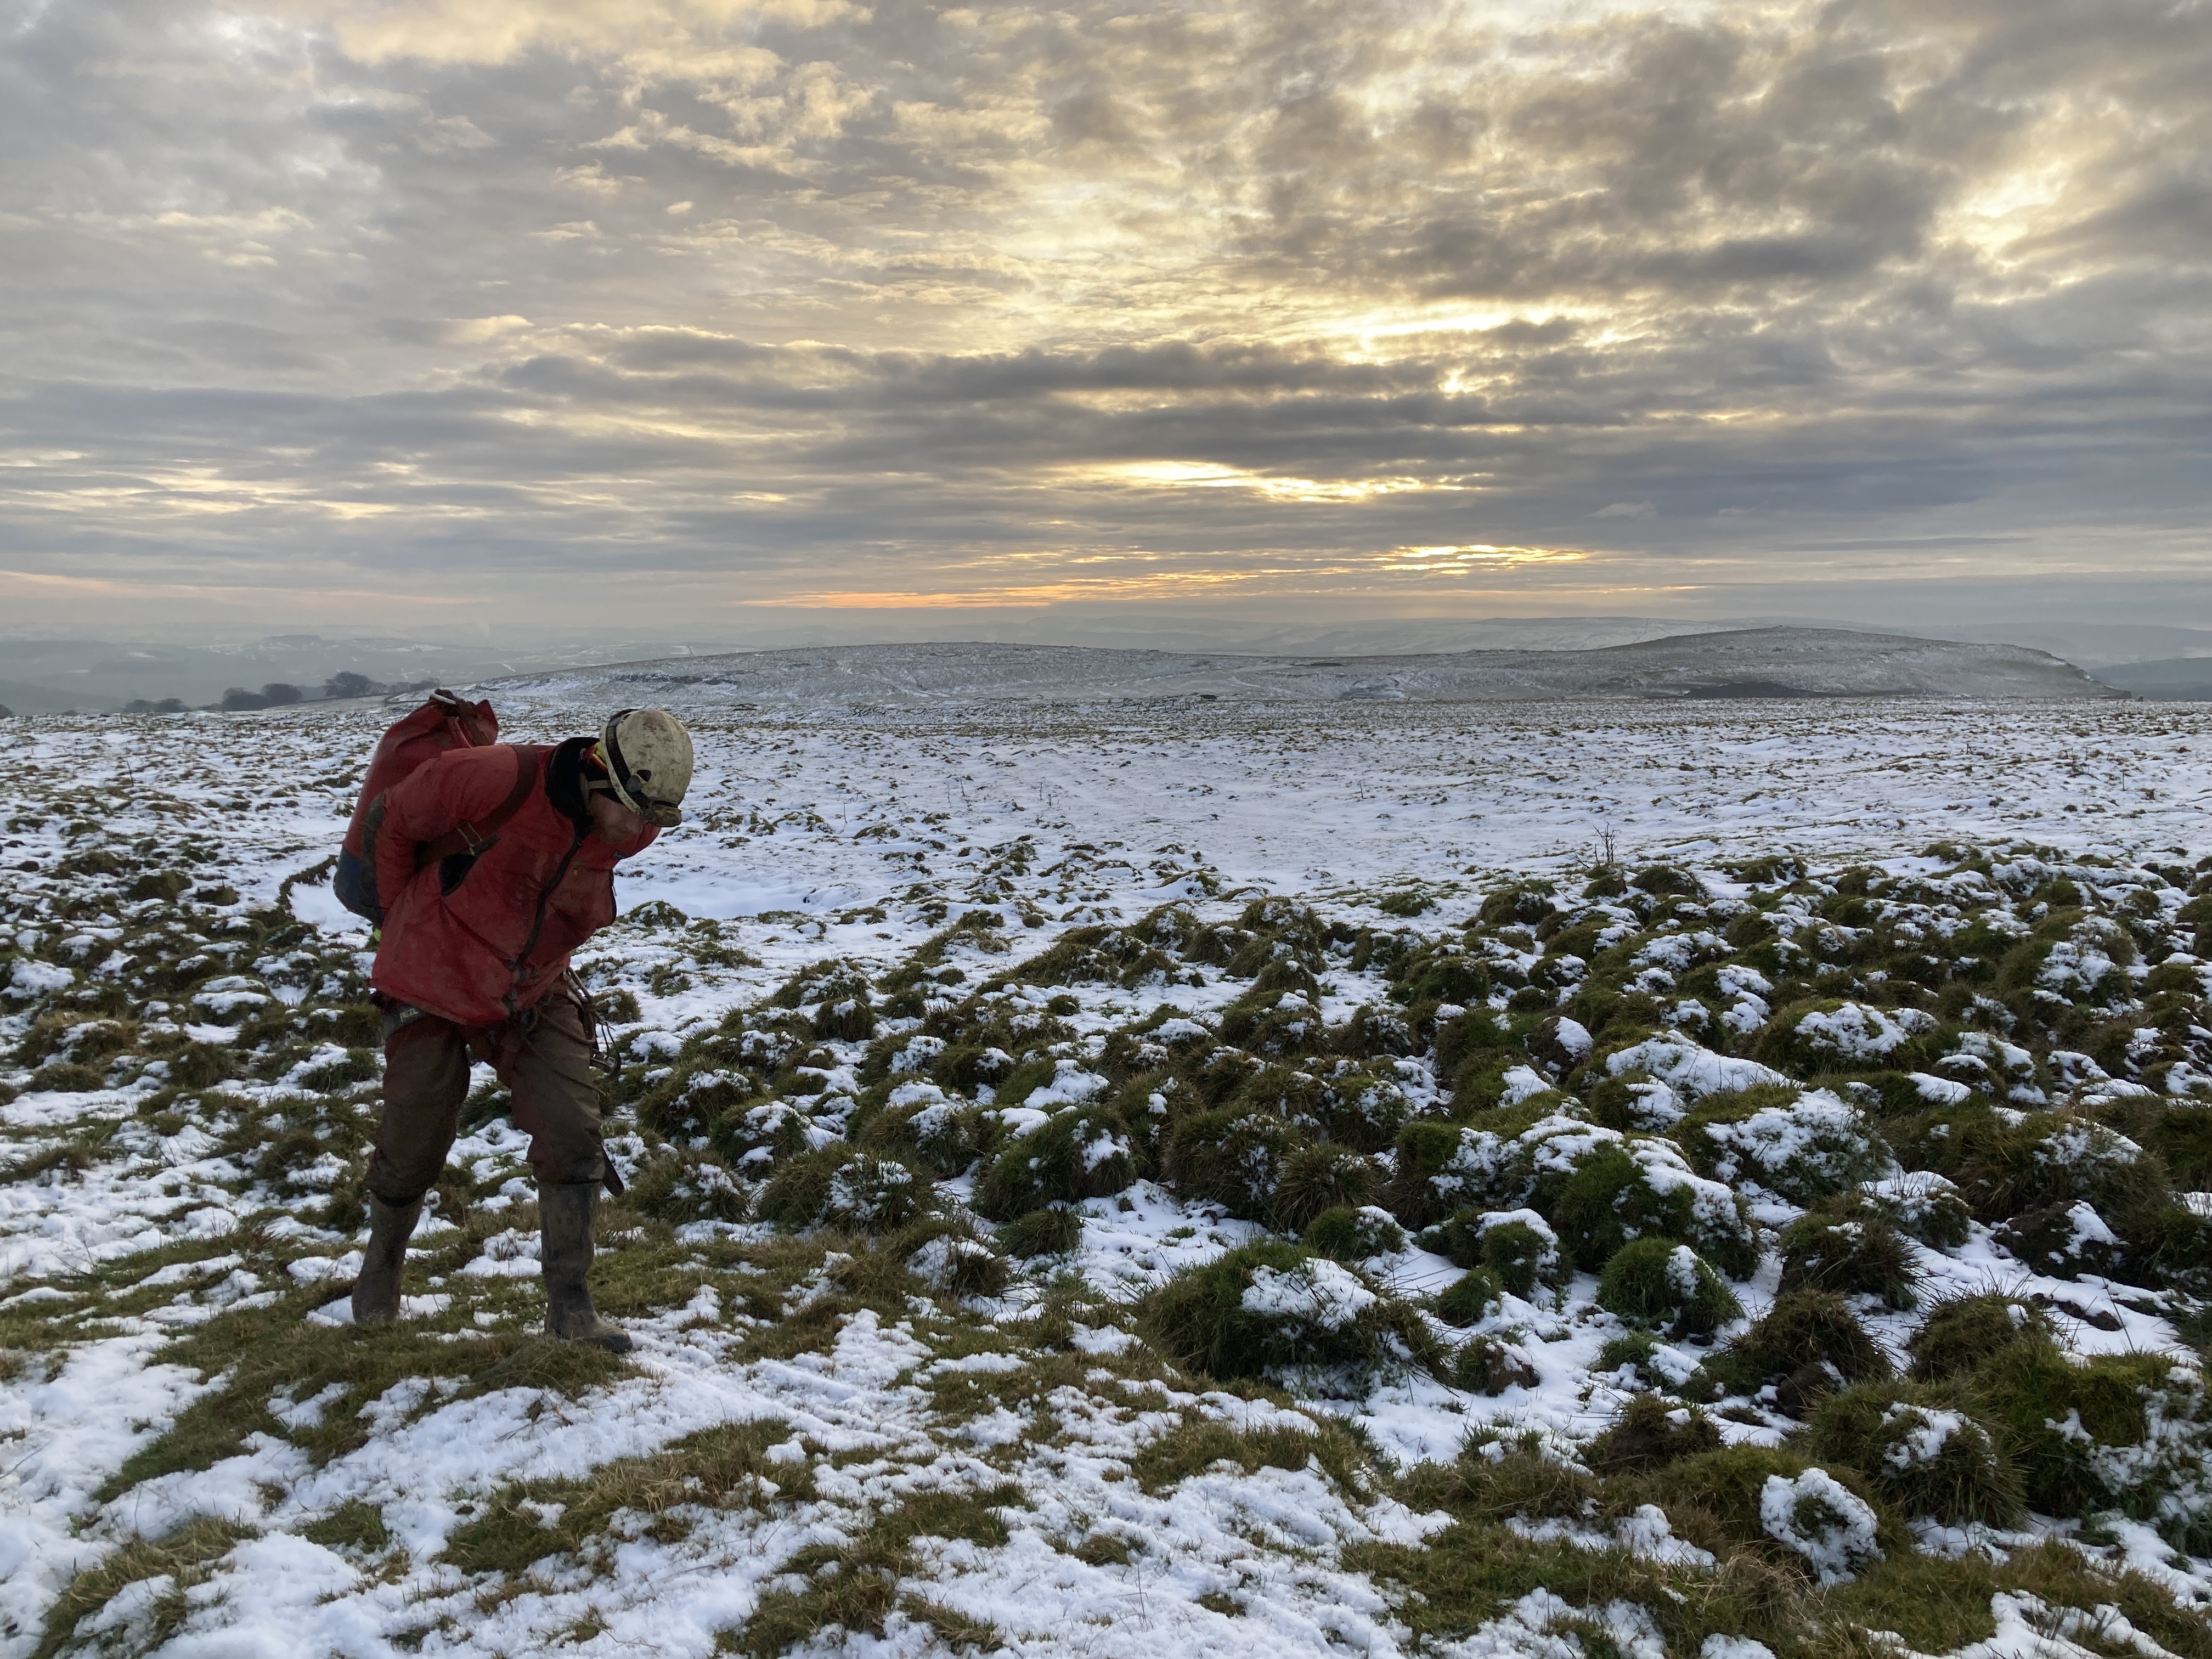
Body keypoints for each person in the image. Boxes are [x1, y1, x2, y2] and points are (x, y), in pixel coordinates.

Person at [351, 708, 694, 1352]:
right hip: (432, 977)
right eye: (628, 811)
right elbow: (392, 823)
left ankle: (571, 1309)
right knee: (413, 1141)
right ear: (597, 772)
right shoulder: (487, 779)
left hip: (531, 987)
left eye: (651, 819)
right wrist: (402, 922)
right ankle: (381, 1277)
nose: (637, 831)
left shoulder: (636, 822)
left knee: (573, 1131)